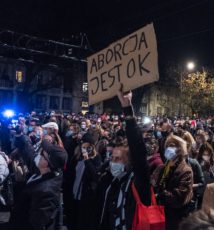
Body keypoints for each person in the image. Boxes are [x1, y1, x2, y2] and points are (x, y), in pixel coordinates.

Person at [93, 86, 151, 230]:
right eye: (112, 158)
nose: (112, 162)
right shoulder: (111, 181)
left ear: (130, 162)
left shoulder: (138, 184)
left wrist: (127, 108)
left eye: (118, 159)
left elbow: (138, 150)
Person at [9, 137, 67, 230]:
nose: (38, 154)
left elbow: (37, 223)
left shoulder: (46, 191)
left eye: (42, 154)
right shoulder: (48, 172)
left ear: (47, 163)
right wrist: (21, 137)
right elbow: (30, 156)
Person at [152, 134, 193, 230]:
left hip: (175, 219)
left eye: (173, 145)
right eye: (168, 146)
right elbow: (153, 184)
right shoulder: (162, 167)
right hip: (159, 215)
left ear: (180, 150)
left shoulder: (185, 170)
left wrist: (160, 195)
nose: (169, 148)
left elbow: (179, 198)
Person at [65, 133, 102, 230]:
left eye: (87, 146)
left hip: (86, 196)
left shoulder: (96, 158)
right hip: (74, 194)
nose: (85, 148)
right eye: (83, 146)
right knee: (73, 220)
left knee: (83, 222)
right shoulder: (77, 157)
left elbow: (95, 175)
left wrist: (87, 160)